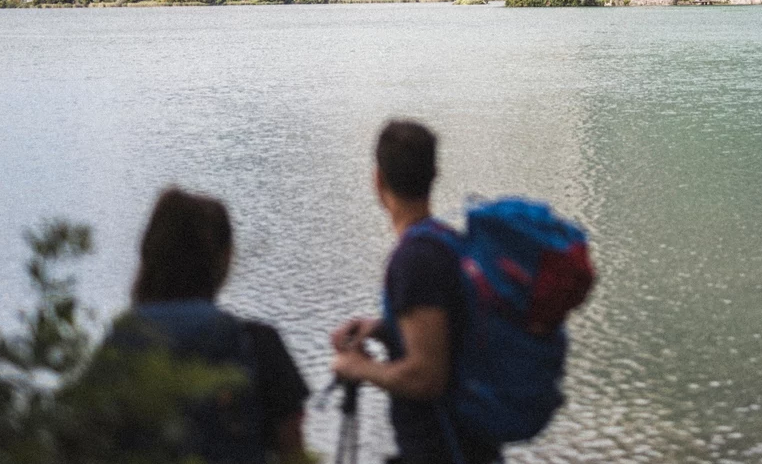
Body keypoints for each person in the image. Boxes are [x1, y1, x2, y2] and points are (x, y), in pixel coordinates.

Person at [331, 121, 501, 464]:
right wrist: (381, 329)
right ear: (434, 174)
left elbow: (427, 378)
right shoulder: (447, 242)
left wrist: (357, 368)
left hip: (442, 450)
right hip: (468, 445)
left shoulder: (414, 260)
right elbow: (448, 328)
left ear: (377, 180)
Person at [103, 187, 310, 464]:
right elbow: (294, 454)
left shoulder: (119, 346)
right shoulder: (259, 344)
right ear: (224, 259)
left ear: (148, 255)